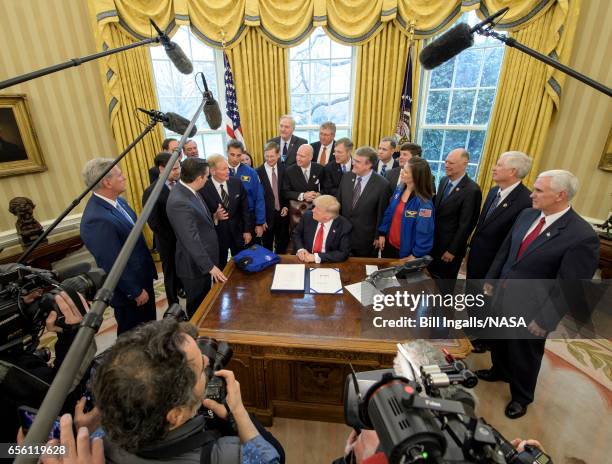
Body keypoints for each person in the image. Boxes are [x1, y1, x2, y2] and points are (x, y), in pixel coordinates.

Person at [479, 170, 599, 419]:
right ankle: (499, 370)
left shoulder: (581, 235)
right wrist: (491, 280)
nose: (531, 194)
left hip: (533, 308)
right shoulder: (527, 214)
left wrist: (545, 320)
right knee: (499, 339)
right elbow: (506, 251)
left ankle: (522, 396)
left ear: (560, 196)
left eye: (539, 190)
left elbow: (571, 286)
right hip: (503, 293)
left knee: (524, 353)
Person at [89, 318, 283, 463]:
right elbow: (273, 457)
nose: (208, 361)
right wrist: (237, 412)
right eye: (200, 371)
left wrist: (83, 429)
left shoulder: (94, 443)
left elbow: (58, 449)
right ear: (176, 415)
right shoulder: (227, 456)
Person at [80, 158, 157, 334]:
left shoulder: (119, 202)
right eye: (120, 175)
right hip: (130, 292)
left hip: (143, 278)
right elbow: (112, 262)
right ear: (107, 182)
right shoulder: (97, 219)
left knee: (150, 330)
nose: (124, 177)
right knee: (133, 336)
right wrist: (134, 291)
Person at [166, 158, 227, 317]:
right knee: (198, 307)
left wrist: (214, 217)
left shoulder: (189, 190)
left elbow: (200, 222)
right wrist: (209, 267)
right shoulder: (180, 201)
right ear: (198, 178)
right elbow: (191, 240)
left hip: (202, 261)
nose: (207, 180)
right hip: (194, 266)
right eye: (206, 177)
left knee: (208, 302)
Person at [467, 151, 533, 280]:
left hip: (495, 268)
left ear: (512, 171)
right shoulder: (493, 191)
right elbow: (482, 225)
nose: (494, 168)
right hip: (475, 259)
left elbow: (514, 242)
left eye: (499, 165)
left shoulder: (526, 201)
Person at [427, 148, 482, 281]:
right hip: (434, 243)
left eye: (451, 163)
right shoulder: (444, 181)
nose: (446, 165)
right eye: (446, 162)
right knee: (429, 281)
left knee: (443, 285)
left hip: (449, 249)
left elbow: (467, 224)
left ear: (464, 164)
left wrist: (452, 250)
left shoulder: (472, 190)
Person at [200, 155, 252, 271]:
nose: (228, 171)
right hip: (218, 237)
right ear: (212, 171)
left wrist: (247, 230)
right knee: (220, 267)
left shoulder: (236, 183)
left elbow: (245, 209)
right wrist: (215, 217)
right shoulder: (203, 188)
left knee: (243, 265)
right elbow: (201, 217)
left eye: (227, 168)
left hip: (238, 233)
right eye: (223, 169)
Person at [142, 152, 182, 306]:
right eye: (173, 169)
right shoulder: (151, 192)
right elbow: (153, 222)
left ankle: (183, 288)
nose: (178, 172)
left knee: (184, 268)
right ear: (161, 169)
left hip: (184, 239)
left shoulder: (180, 185)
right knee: (170, 273)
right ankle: (173, 304)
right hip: (167, 241)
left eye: (178, 168)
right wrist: (175, 236)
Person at [337, 146, 390, 257]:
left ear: (369, 165)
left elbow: (382, 213)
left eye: (357, 162)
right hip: (344, 236)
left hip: (366, 240)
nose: (353, 163)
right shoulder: (346, 177)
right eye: (354, 160)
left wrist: (378, 235)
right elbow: (339, 204)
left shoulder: (382, 184)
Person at [377, 158, 435, 260]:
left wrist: (415, 255)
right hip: (389, 245)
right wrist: (382, 233)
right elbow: (389, 212)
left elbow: (424, 233)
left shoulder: (424, 204)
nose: (402, 172)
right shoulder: (399, 189)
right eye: (403, 169)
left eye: (406, 172)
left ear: (417, 177)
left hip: (406, 253)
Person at [226, 139, 266, 242]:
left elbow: (259, 197)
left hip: (249, 218)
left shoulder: (251, 172)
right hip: (228, 219)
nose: (235, 158)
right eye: (232, 154)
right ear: (227, 153)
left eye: (238, 155)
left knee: (252, 250)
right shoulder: (221, 170)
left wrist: (259, 223)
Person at [292, 195, 352, 263]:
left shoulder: (344, 226)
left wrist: (316, 257)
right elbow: (296, 234)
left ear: (327, 216)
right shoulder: (307, 216)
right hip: (304, 259)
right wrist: (300, 249)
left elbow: (343, 253)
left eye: (317, 209)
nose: (313, 210)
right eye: (314, 207)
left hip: (327, 262)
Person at [256, 141, 290, 254]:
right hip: (266, 216)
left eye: (272, 156)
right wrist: (261, 219)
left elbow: (285, 190)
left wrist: (285, 205)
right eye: (267, 156)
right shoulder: (257, 172)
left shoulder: (284, 169)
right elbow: (257, 197)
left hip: (282, 214)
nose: (269, 159)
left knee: (282, 245)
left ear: (278, 155)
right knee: (266, 247)